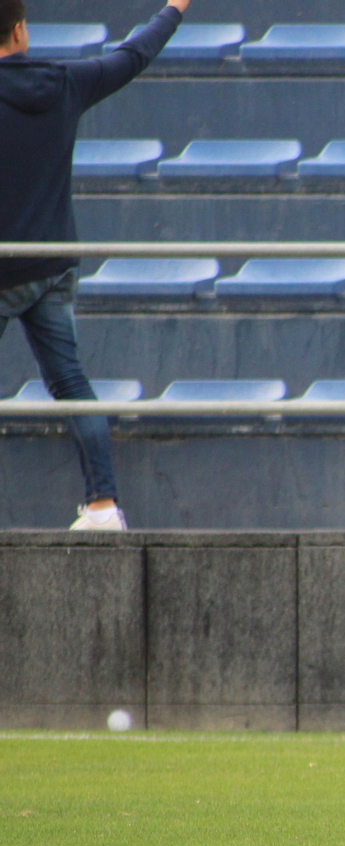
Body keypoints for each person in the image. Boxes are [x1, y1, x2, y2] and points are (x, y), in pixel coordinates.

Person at [0, 0, 188, 530]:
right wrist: (174, 8)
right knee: (72, 385)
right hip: (53, 267)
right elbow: (133, 55)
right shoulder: (66, 82)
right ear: (20, 30)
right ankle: (103, 506)